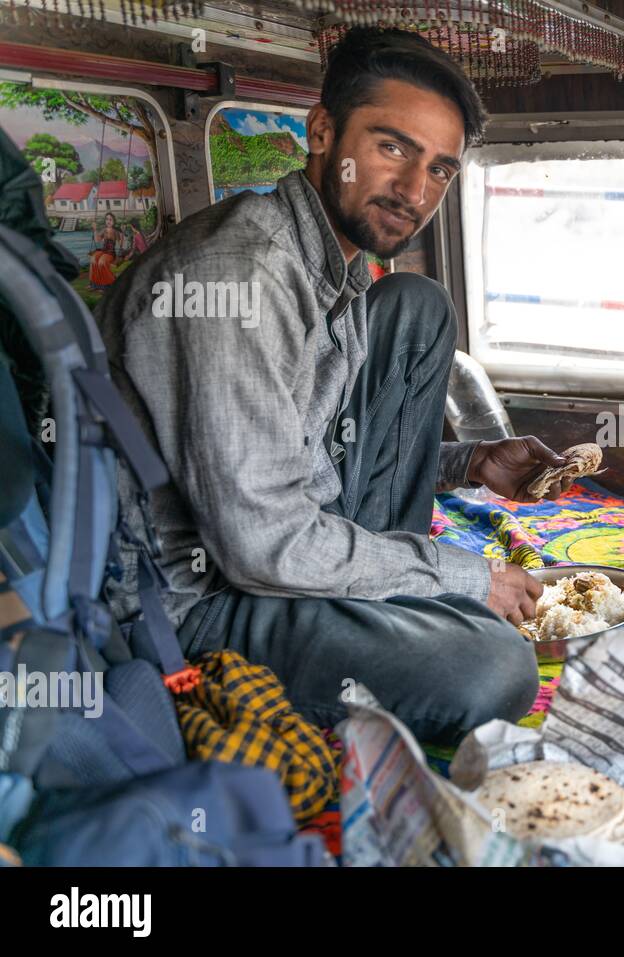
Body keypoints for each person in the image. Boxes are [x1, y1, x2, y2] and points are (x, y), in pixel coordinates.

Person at [97, 27, 567, 743]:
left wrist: (466, 463)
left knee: (416, 306)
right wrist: (465, 578)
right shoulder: (239, 277)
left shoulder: (337, 270)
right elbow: (263, 544)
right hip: (202, 601)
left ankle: (392, 601)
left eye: (440, 169)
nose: (415, 191)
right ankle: (402, 614)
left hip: (277, 541)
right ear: (322, 132)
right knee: (494, 665)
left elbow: (310, 453)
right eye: (392, 148)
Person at [88, 210, 121, 288]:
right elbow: (97, 240)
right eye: (107, 219)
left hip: (110, 253)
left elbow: (121, 244)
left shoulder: (115, 232)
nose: (108, 221)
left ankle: (108, 283)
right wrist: (95, 229)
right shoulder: (104, 230)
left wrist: (122, 233)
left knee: (101, 262)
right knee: (93, 259)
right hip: (103, 251)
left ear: (114, 221)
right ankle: (94, 283)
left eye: (110, 219)